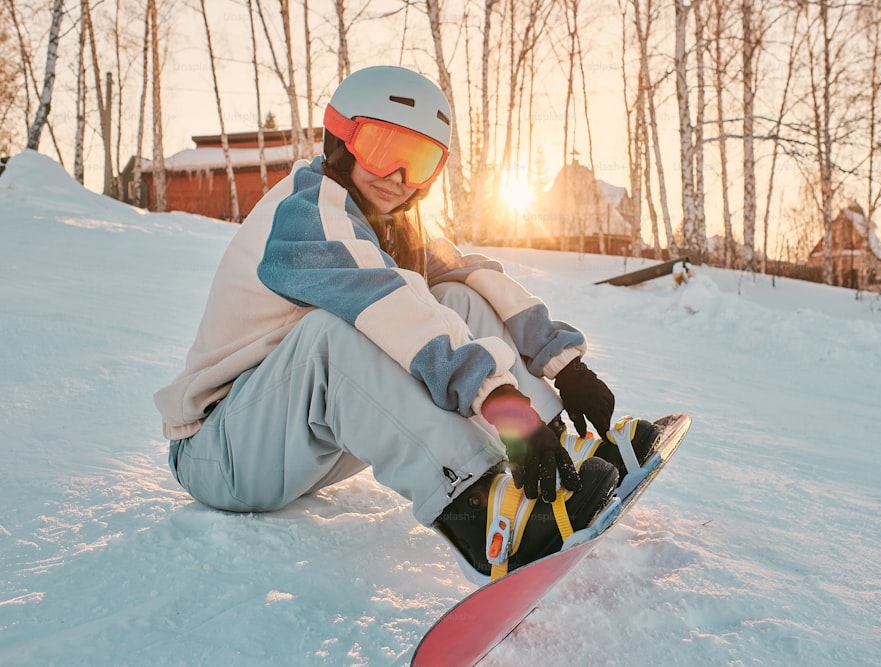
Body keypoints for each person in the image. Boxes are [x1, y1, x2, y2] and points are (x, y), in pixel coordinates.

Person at [155, 65, 664, 582]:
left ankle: (561, 456)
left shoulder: (395, 222)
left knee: (455, 294)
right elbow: (393, 307)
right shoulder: (308, 216)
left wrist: (564, 365)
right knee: (333, 337)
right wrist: (505, 407)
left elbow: (475, 277)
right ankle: (484, 515)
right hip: (222, 454)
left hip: (305, 441)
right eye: (381, 148)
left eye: (418, 160)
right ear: (341, 139)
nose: (398, 175)